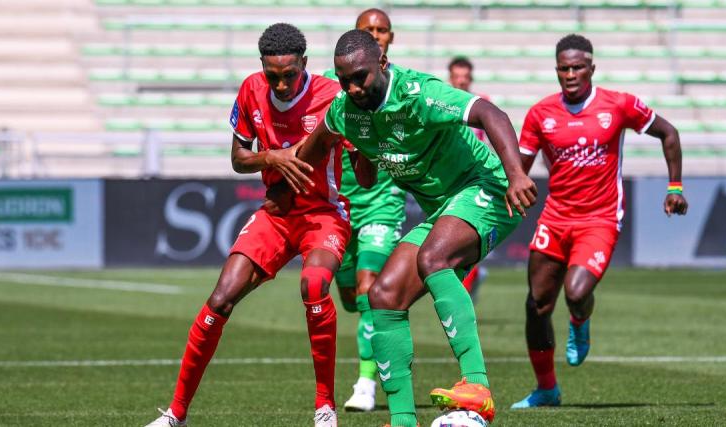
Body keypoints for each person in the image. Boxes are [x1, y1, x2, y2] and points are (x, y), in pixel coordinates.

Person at [291, 29, 539, 427]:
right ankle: (404, 420)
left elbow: (490, 114)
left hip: (487, 189)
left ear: (382, 64)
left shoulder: (419, 92)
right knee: (384, 295)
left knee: (433, 257)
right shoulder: (345, 111)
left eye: (361, 77)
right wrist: (279, 160)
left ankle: (476, 384)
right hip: (442, 209)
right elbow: (315, 154)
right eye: (345, 80)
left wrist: (516, 176)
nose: (353, 88)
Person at [144, 23, 363, 427]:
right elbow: (239, 157)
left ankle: (324, 407)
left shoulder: (332, 95)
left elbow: (362, 166)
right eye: (272, 76)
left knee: (313, 284)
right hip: (276, 216)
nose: (280, 84)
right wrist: (273, 158)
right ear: (262, 69)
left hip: (323, 213)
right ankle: (176, 414)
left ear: (305, 65)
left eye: (289, 75)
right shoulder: (250, 90)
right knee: (220, 299)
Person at [510, 34, 688, 409]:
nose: (570, 74)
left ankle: (580, 321)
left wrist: (675, 186)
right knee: (536, 305)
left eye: (577, 67)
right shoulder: (540, 114)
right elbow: (517, 169)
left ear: (592, 68)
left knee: (575, 293)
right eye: (564, 68)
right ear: (556, 70)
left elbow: (668, 133)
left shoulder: (618, 105)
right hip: (555, 217)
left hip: (600, 219)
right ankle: (547, 389)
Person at [324, 8, 407, 413]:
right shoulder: (336, 92)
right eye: (368, 30)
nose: (377, 34)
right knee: (350, 298)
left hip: (383, 201)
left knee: (369, 288)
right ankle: (380, 345)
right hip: (340, 204)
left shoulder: (402, 87)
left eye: (382, 30)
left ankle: (366, 384)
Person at [447, 56, 490, 301]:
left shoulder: (481, 106)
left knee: (467, 239)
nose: (462, 82)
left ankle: (462, 292)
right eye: (457, 77)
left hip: (473, 182)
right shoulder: (440, 104)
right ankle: (471, 275)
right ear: (450, 78)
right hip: (447, 183)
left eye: (466, 78)